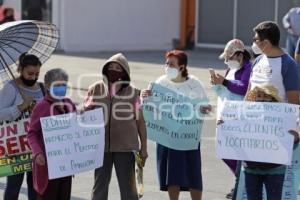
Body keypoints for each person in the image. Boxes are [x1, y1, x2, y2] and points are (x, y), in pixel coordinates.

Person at [141, 50, 211, 200]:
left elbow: (203, 105)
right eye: (166, 63)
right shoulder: (160, 83)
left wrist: (205, 108)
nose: (167, 67)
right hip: (167, 137)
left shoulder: (194, 84)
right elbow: (149, 107)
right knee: (172, 176)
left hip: (188, 137)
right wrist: (144, 97)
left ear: (182, 67)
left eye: (171, 64)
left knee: (193, 174)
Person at [84, 53, 148, 200]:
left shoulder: (134, 93)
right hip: (101, 148)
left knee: (129, 191)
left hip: (126, 148)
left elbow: (140, 121)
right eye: (110, 67)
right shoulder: (95, 89)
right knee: (99, 188)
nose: (113, 70)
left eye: (117, 68)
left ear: (125, 72)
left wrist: (143, 147)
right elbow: (85, 113)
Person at [242, 84, 300, 200]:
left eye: (266, 96)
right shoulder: (246, 115)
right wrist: (225, 126)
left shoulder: (283, 118)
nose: (262, 99)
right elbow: (235, 135)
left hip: (275, 169)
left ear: (273, 99)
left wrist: (295, 138)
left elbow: (291, 145)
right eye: (259, 96)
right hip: (251, 168)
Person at [211, 38, 252, 199]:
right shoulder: (231, 69)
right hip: (226, 113)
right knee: (224, 150)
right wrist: (217, 83)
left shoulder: (249, 68)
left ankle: (241, 183)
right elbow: (226, 88)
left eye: (229, 57)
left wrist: (225, 82)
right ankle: (240, 180)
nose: (227, 61)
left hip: (240, 115)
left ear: (239, 55)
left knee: (237, 151)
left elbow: (244, 89)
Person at [0, 53, 43, 200]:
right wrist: (20, 107)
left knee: (36, 188)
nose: (33, 77)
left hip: (37, 147)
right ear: (20, 69)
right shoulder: (10, 87)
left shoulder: (42, 87)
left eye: (37, 74)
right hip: (16, 148)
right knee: (13, 187)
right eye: (30, 73)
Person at [27, 68, 75, 200]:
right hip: (47, 166)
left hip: (66, 165)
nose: (61, 88)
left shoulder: (69, 104)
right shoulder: (42, 106)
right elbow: (32, 133)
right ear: (48, 86)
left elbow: (77, 129)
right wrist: (37, 153)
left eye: (64, 85)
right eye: (57, 85)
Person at [249, 21, 300, 105]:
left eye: (255, 40)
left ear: (266, 43)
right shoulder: (257, 60)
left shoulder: (288, 64)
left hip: (277, 117)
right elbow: (249, 92)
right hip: (253, 116)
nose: (253, 43)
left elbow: (293, 103)